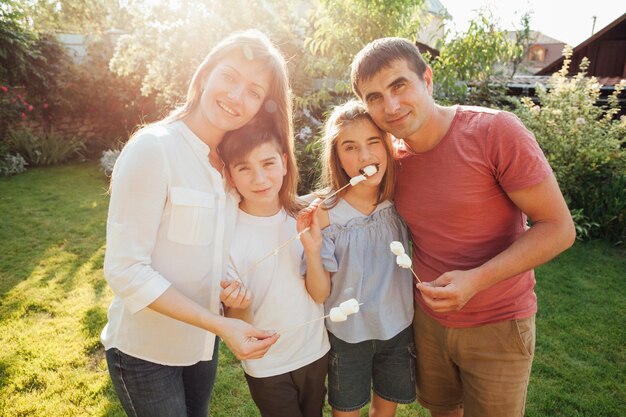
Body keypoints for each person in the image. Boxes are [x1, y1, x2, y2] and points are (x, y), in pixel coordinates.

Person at [350, 37, 576, 417]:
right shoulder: (391, 157)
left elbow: (558, 228)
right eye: (374, 97)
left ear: (428, 79)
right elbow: (347, 193)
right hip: (427, 323)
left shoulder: (494, 132)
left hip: (498, 324)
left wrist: (476, 280)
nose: (390, 106)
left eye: (399, 85)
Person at [101, 30, 289, 417]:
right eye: (230, 77)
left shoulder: (229, 165)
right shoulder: (154, 148)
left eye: (254, 91)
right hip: (145, 352)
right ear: (204, 75)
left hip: (202, 347)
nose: (237, 96)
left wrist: (228, 291)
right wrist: (220, 325)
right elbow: (125, 271)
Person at [300, 100, 416, 417]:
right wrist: (311, 249)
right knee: (347, 411)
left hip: (397, 328)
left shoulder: (400, 200)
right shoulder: (325, 213)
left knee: (385, 412)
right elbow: (320, 293)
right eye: (350, 147)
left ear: (388, 144)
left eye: (373, 142)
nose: (364, 156)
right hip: (347, 336)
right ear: (337, 156)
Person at [218, 121, 330, 417]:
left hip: (314, 351)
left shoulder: (301, 219)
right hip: (267, 364)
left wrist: (313, 250)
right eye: (244, 168)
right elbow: (238, 322)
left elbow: (319, 295)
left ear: (283, 163)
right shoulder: (227, 237)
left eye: (268, 163)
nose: (259, 178)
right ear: (229, 175)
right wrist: (238, 304)